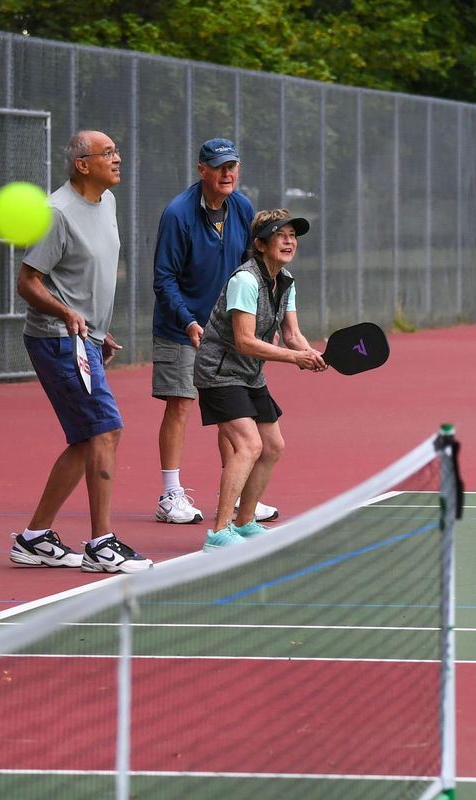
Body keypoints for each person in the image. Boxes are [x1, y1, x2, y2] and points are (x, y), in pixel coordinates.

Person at [8, 130, 152, 574]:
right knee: (106, 430)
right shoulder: (56, 213)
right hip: (55, 339)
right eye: (107, 153)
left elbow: (83, 277)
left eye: (116, 150)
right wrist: (68, 315)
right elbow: (28, 282)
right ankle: (101, 545)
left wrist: (95, 329)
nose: (118, 157)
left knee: (87, 438)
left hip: (82, 338)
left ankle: (34, 539)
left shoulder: (105, 202)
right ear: (82, 165)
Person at [150, 138, 279, 526]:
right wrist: (190, 322)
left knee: (231, 407)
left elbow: (251, 263)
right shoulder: (178, 214)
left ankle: (237, 497)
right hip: (181, 327)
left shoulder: (241, 207)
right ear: (201, 170)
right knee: (181, 403)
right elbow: (164, 278)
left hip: (226, 330)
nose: (227, 174)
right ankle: (170, 495)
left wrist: (251, 319)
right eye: (219, 167)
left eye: (232, 166)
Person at [193, 209, 327, 551]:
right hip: (219, 372)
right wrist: (294, 358)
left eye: (292, 236)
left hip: (250, 374)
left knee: (273, 446)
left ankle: (245, 522)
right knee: (249, 445)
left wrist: (310, 353)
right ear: (260, 244)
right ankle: (218, 533)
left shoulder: (286, 282)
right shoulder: (245, 281)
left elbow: (292, 334)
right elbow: (244, 341)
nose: (288, 241)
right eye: (280, 234)